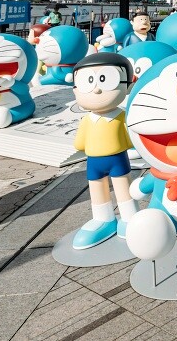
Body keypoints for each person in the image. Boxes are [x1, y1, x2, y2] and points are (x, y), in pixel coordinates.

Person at [71, 53, 138, 249]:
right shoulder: (87, 120)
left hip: (118, 159)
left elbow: (131, 139)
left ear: (127, 85)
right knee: (97, 189)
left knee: (122, 187)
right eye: (87, 81)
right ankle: (103, 219)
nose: (97, 89)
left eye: (105, 80)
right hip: (94, 162)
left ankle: (129, 216)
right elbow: (79, 144)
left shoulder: (122, 116)